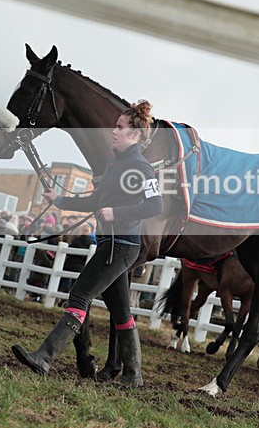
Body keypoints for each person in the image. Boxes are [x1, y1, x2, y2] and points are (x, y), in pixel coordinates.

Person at [11, 100, 163, 387]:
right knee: (121, 311)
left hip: (122, 245)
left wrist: (118, 213)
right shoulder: (116, 164)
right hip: (112, 243)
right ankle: (133, 375)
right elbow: (95, 201)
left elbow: (155, 205)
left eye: (119, 127)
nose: (113, 131)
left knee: (79, 295)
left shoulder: (140, 167)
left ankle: (44, 357)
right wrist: (59, 200)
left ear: (134, 135)